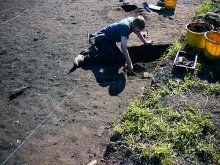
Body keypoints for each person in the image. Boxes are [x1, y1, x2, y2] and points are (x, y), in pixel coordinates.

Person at [73, 16, 153, 71]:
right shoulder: (126, 28)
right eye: (137, 30)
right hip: (102, 38)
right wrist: (130, 63)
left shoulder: (133, 21)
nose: (138, 32)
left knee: (121, 58)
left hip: (110, 40)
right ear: (134, 25)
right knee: (111, 57)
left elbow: (138, 32)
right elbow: (123, 47)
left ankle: (97, 51)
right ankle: (85, 57)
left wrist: (145, 42)